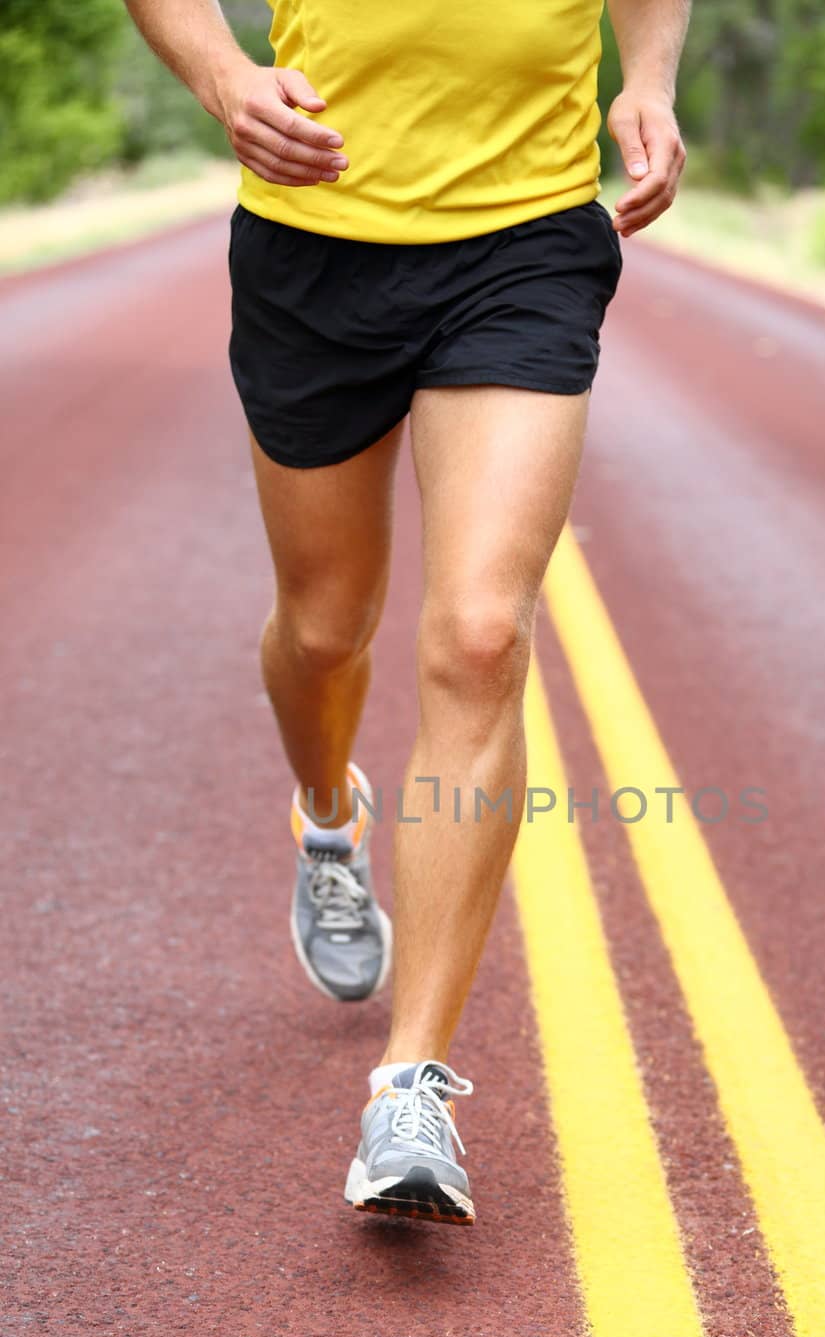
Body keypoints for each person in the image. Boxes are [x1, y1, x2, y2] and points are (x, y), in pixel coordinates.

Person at [124, 0, 689, 1224]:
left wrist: (645, 74)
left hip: (526, 236)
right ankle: (330, 817)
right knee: (325, 631)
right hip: (314, 241)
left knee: (483, 634)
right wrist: (223, 74)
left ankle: (410, 1086)